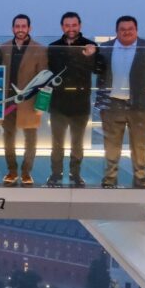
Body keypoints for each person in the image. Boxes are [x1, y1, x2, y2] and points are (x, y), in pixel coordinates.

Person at [95, 15, 145, 189]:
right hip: (112, 105)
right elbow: (96, 71)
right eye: (122, 29)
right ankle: (110, 178)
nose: (126, 32)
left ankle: (141, 178)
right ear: (116, 31)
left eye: (130, 29)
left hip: (141, 106)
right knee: (111, 145)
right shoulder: (105, 48)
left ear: (136, 30)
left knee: (139, 144)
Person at [46, 12, 98, 188]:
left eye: (74, 25)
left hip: (80, 104)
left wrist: (91, 55)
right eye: (67, 25)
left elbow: (98, 69)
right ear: (62, 27)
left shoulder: (90, 46)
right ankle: (56, 174)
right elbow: (48, 75)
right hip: (58, 104)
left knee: (77, 144)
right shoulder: (53, 47)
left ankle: (75, 174)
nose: (71, 28)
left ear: (80, 26)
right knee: (57, 144)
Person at [0, 14, 48, 187]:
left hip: (30, 102)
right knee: (8, 139)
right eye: (17, 26)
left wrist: (42, 104)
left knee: (31, 139)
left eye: (23, 26)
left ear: (29, 28)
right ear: (13, 28)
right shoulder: (3, 48)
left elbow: (45, 79)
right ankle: (12, 171)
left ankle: (27, 172)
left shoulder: (39, 49)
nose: (20, 29)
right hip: (7, 102)